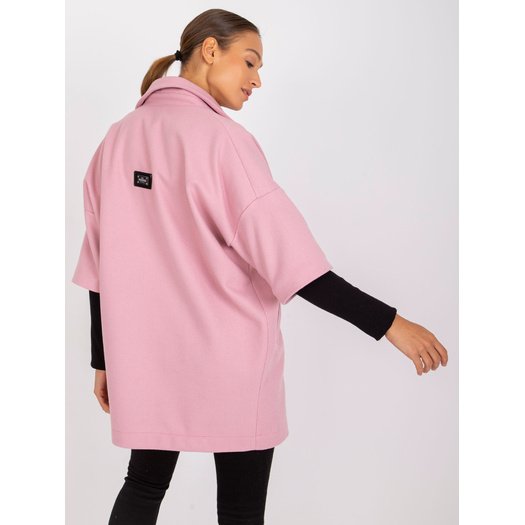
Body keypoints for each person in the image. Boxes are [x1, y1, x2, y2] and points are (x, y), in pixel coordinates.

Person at [71, 8, 448, 525]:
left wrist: (105, 360)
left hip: (147, 363)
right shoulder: (223, 141)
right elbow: (295, 264)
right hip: (232, 362)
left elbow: (98, 264)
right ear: (210, 50)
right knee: (241, 510)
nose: (257, 80)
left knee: (142, 487)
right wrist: (391, 325)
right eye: (249, 62)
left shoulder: (115, 139)